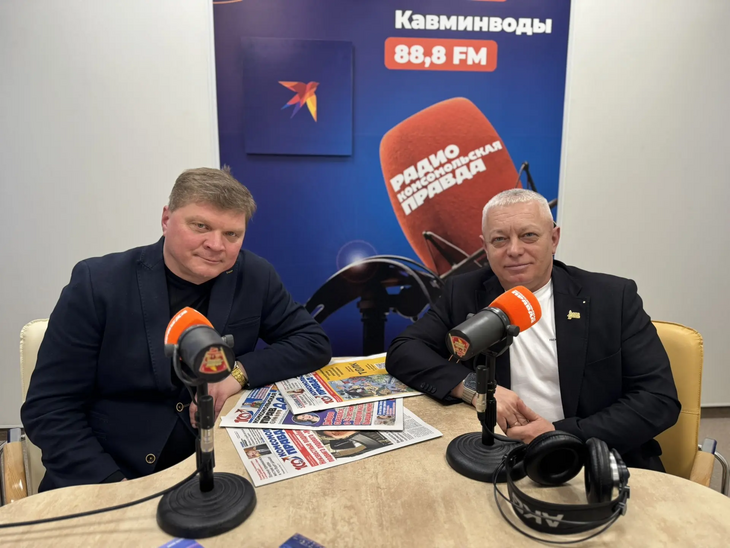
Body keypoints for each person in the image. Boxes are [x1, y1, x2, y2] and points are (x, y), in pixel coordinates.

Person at [21, 167, 332, 491]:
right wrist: (115, 487)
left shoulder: (254, 275)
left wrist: (236, 374)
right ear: (166, 219)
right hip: (112, 474)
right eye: (201, 226)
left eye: (231, 234)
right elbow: (50, 408)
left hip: (215, 470)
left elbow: (312, 341)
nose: (216, 245)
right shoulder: (97, 283)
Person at [386, 189, 680, 471]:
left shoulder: (613, 297)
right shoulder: (463, 292)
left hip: (593, 456)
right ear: (485, 247)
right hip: (497, 454)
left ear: (553, 239)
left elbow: (658, 399)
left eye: (529, 235)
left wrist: (559, 434)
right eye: (499, 239)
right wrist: (476, 389)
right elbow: (404, 350)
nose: (514, 250)